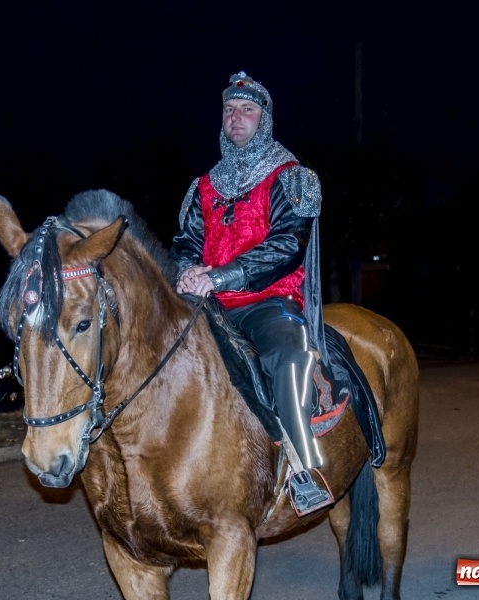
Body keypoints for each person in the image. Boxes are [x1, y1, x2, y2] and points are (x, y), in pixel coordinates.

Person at [170, 71, 333, 516]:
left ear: (264, 119)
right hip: (208, 305)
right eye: (228, 110)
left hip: (268, 301)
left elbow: (287, 245)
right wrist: (185, 271)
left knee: (287, 355)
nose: (235, 117)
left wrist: (221, 277)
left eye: (246, 110)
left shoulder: (289, 176)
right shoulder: (205, 184)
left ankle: (302, 467)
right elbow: (186, 242)